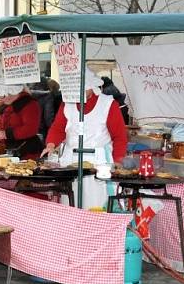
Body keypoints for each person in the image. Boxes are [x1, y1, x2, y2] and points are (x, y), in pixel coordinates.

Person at [41, 69, 128, 209]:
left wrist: (117, 160)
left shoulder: (108, 104)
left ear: (91, 87)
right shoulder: (67, 103)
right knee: (70, 201)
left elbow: (119, 137)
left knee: (96, 204)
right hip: (70, 162)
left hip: (98, 162)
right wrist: (51, 144)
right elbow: (58, 128)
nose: (77, 94)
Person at [0, 85, 44, 159]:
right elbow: (2, 127)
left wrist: (6, 134)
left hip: (27, 152)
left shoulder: (29, 103)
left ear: (11, 92)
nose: (1, 99)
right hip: (9, 150)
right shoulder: (5, 104)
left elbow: (31, 129)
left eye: (3, 96)